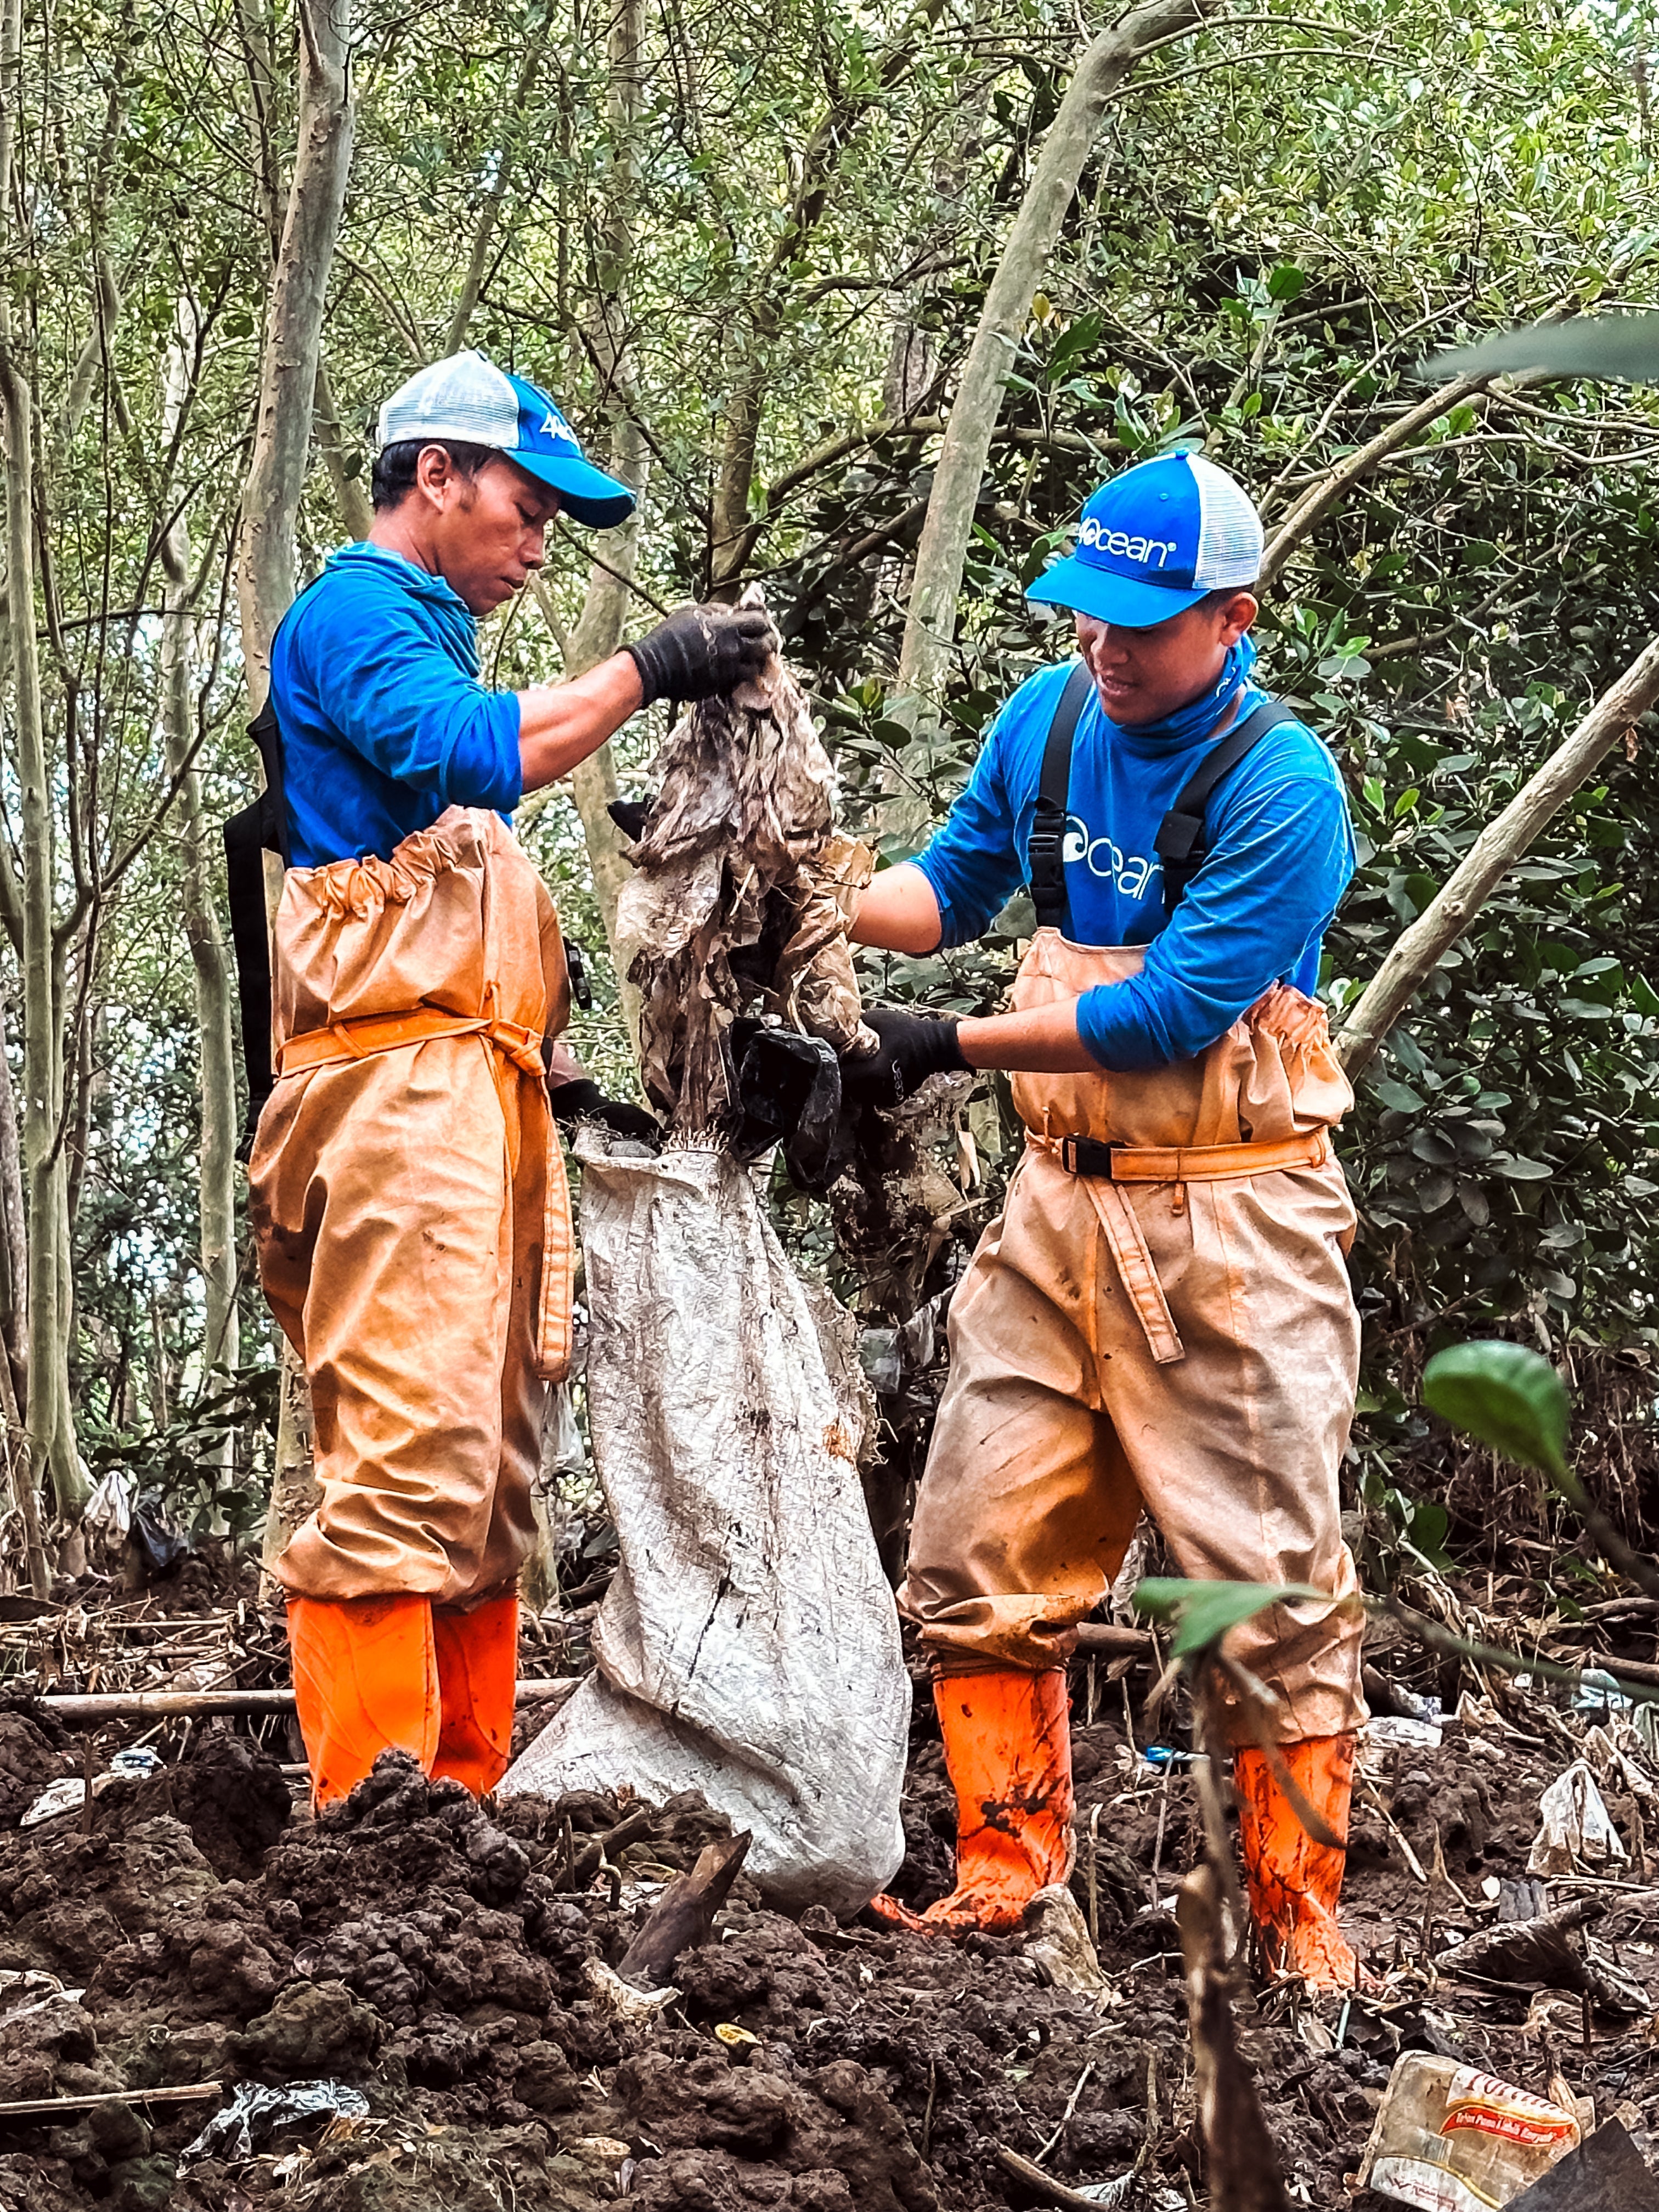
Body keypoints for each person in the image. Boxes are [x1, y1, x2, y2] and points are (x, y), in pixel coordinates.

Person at [844, 449, 1367, 1987]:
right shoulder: (1052, 717)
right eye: (1087, 618)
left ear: (1235, 620)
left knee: (1264, 1585)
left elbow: (1170, 1011)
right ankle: (1010, 1878)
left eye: (1141, 626)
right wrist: (806, 900)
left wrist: (933, 1041)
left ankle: (1298, 1924)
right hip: (1056, 1210)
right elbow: (946, 886)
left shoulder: (1286, 785)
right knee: (975, 1543)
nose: (1106, 649)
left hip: (1236, 1221)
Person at [248, 349, 774, 1809]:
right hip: (395, 1105)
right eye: (527, 507)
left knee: (489, 1486)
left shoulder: (427, 628)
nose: (540, 543)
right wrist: (648, 668)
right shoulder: (357, 612)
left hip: (474, 1103)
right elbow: (469, 753)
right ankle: (372, 1820)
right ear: (437, 479)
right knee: (405, 1467)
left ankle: (459, 1819)